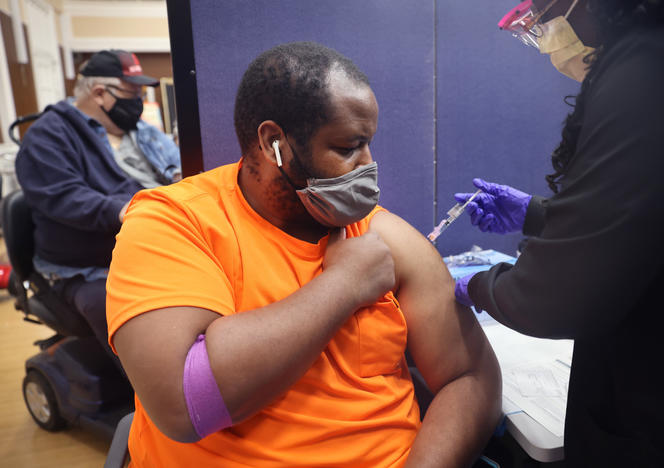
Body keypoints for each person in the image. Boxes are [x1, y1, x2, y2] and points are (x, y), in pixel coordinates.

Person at [106, 42, 501, 467]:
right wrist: (344, 285)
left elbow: (472, 376)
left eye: (368, 144)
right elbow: (184, 404)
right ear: (274, 143)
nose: (368, 166)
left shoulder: (384, 238)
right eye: (348, 147)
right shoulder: (175, 223)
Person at [454, 1, 664, 466]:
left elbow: (555, 297)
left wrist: (477, 286)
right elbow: (651, 220)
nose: (545, 27)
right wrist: (534, 214)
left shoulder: (652, 71)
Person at [14, 49, 181, 369]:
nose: (138, 101)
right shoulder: (48, 135)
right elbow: (64, 197)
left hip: (150, 246)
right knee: (126, 313)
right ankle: (155, 395)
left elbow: (176, 169)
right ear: (100, 93)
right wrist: (127, 210)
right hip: (86, 267)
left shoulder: (140, 131)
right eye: (131, 93)